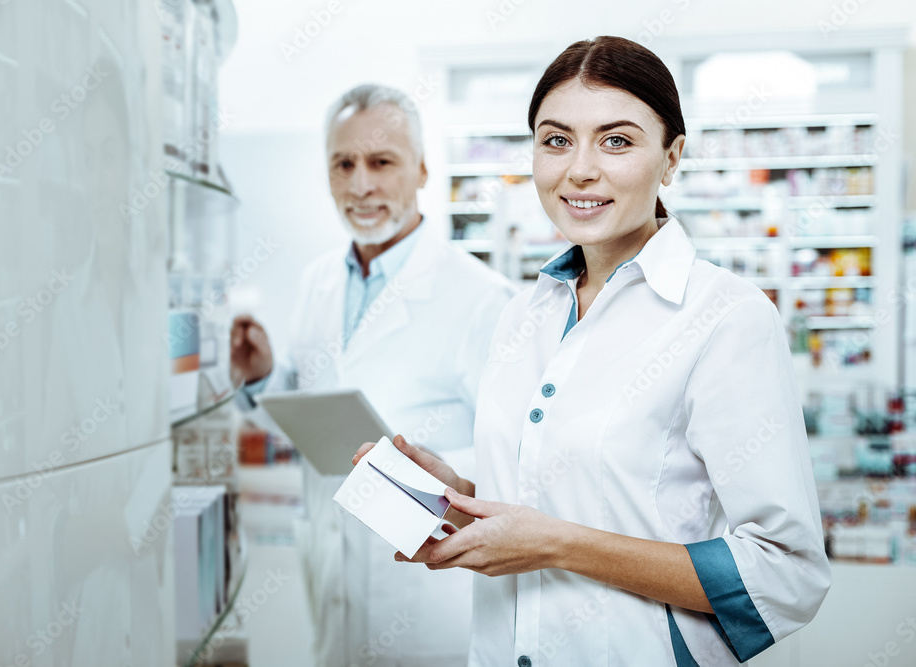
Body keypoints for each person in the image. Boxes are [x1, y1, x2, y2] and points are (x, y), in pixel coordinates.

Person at [355, 37, 831, 666]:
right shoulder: (523, 314)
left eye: (616, 141)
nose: (580, 169)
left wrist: (557, 546)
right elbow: (543, 511)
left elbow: (786, 573)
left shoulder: (727, 318)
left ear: (671, 158)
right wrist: (457, 497)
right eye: (556, 140)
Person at [230, 84, 516, 667]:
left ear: (422, 171)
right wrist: (263, 379)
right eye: (344, 164)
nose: (361, 184)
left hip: (428, 592)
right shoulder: (318, 283)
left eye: (382, 162)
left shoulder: (483, 299)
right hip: (332, 568)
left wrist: (440, 473)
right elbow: (315, 414)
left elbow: (518, 459)